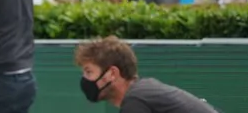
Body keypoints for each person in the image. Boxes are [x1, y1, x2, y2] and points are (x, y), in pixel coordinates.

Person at [74, 36, 218, 111]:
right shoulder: (143, 92)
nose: (85, 79)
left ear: (112, 73)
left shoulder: (136, 100)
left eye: (89, 72)